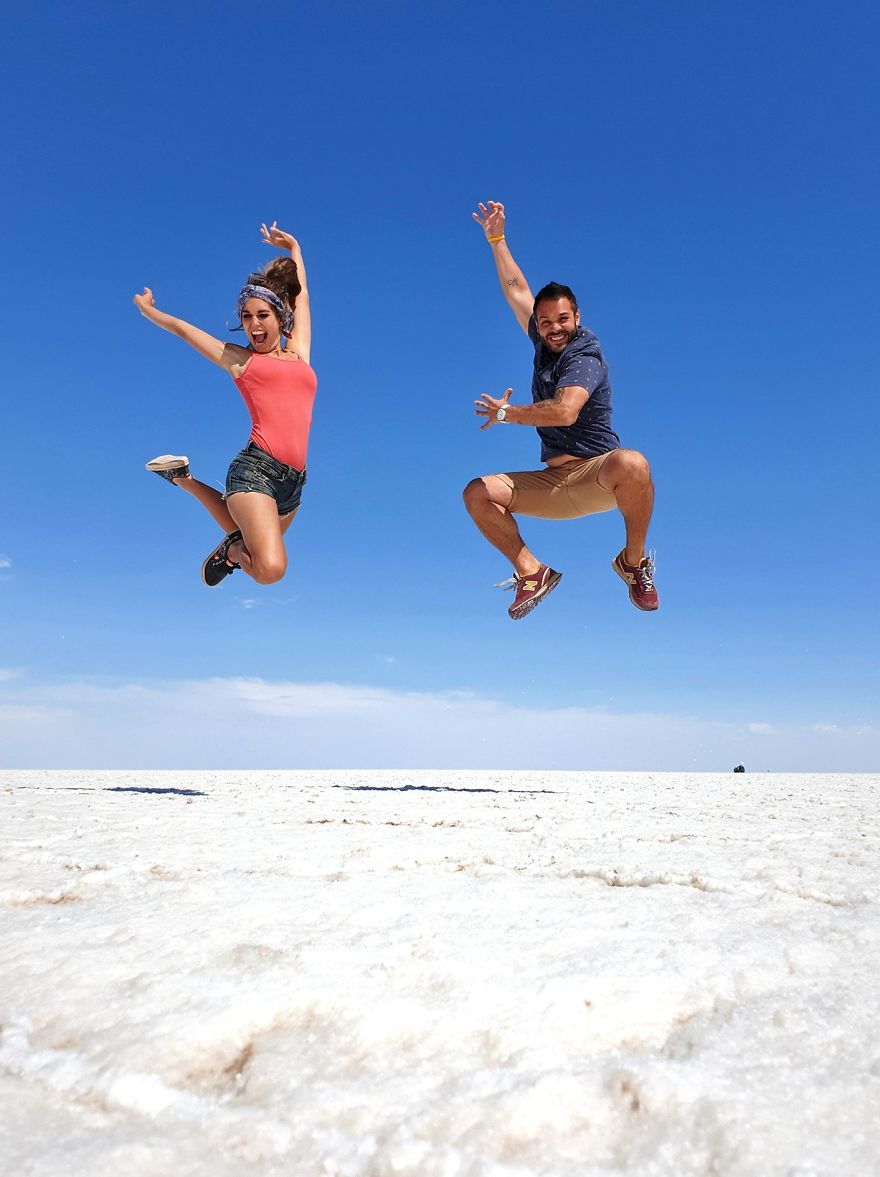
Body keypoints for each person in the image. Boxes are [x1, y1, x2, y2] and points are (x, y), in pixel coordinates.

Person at [465, 200, 659, 620]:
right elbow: (517, 289)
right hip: (553, 483)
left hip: (596, 476)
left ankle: (634, 561)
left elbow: (566, 411)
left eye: (563, 319)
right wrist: (497, 240)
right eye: (546, 321)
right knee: (478, 493)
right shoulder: (541, 340)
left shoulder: (584, 354)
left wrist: (508, 414)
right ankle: (531, 572)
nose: (554, 327)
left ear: (577, 317)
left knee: (634, 464)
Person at [134, 222, 315, 587]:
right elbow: (188, 331)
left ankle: (182, 479)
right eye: (247, 317)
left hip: (294, 482)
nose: (254, 324)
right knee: (270, 569)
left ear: (281, 318)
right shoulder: (241, 360)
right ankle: (232, 554)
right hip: (255, 472)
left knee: (253, 538)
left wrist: (294, 249)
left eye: (262, 315)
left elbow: (303, 295)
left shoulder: (299, 352)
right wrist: (152, 313)